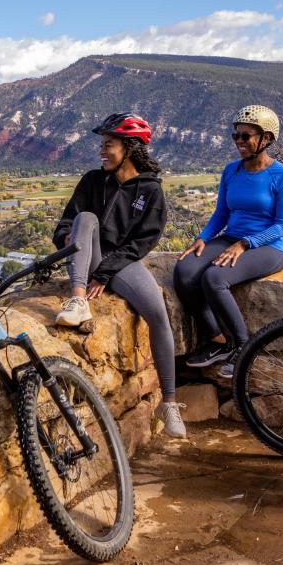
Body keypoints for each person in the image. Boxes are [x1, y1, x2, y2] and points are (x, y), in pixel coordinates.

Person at [53, 113, 186, 438]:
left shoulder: (150, 191)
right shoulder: (92, 181)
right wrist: (67, 240)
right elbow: (66, 224)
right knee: (85, 218)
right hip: (88, 260)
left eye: (108, 145)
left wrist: (107, 271)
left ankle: (168, 404)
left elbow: (142, 242)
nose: (102, 151)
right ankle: (78, 299)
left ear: (129, 148)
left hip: (119, 263)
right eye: (102, 145)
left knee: (157, 312)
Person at [174, 105, 283, 379]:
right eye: (236, 136)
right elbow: (222, 213)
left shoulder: (281, 176)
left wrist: (245, 244)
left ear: (266, 139)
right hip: (231, 238)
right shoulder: (232, 171)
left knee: (214, 278)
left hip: (269, 246)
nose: (239, 142)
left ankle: (243, 346)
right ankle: (218, 341)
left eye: (246, 136)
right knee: (184, 270)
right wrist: (202, 239)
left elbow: (282, 226)